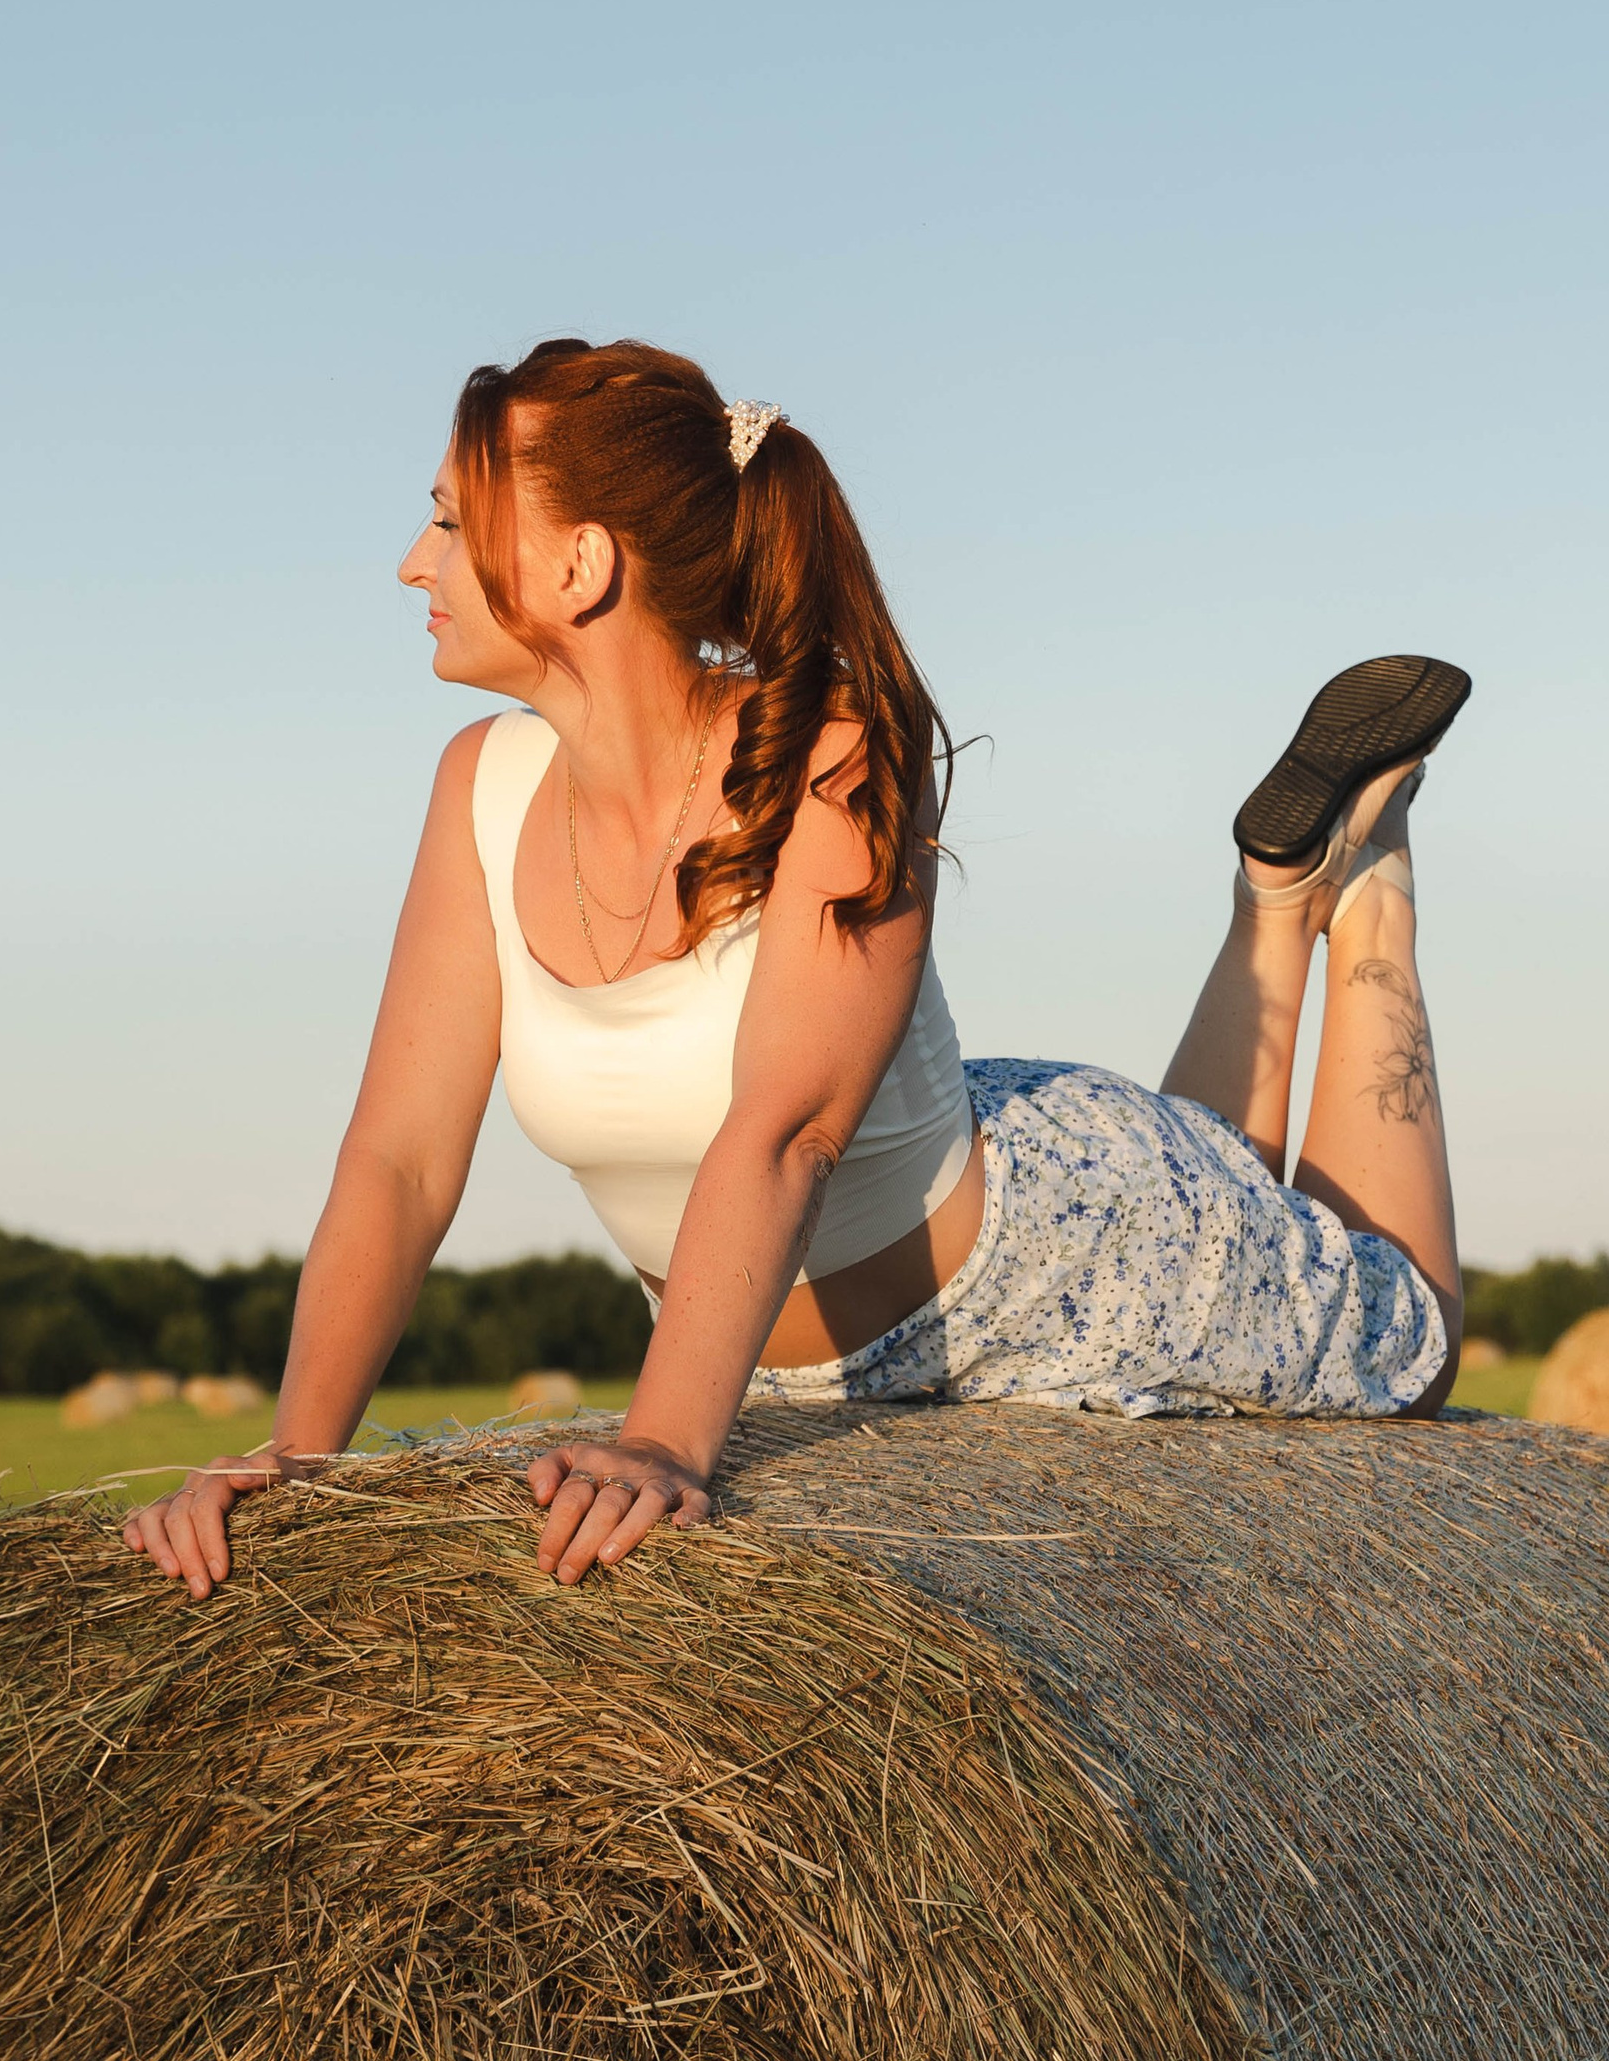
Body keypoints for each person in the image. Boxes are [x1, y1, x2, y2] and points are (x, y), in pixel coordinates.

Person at [125, 337, 1470, 1599]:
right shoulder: (479, 788)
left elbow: (786, 1132)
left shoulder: (830, 756)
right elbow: (399, 1159)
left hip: (1045, 1266)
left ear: (583, 564)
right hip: (816, 1329)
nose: (412, 564)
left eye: (448, 520)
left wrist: (661, 1442)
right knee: (1220, 1174)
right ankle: (1276, 898)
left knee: (1404, 1335)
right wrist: (300, 1459)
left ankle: (1371, 889)